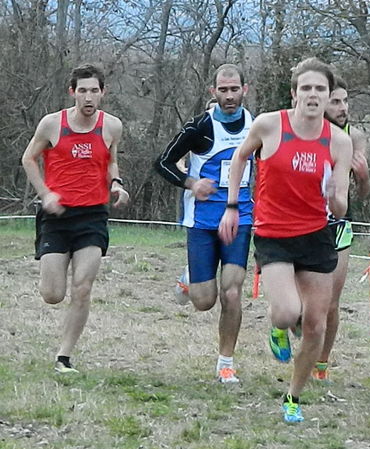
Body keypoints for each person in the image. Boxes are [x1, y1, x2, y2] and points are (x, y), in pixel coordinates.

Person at [219, 57, 352, 423]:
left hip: (316, 235)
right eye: (306, 88)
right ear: (294, 93)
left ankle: (293, 397)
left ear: (328, 97)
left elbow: (341, 207)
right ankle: (279, 329)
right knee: (287, 312)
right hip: (274, 232)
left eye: (320, 89)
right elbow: (239, 159)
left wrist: (332, 196)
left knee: (316, 325)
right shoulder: (269, 125)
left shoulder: (339, 142)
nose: (313, 95)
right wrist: (232, 205)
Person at [21, 63, 129, 374]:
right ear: (72, 93)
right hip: (56, 215)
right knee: (53, 294)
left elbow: (111, 162)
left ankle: (64, 357)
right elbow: (28, 158)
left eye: (94, 90)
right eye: (82, 90)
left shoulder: (112, 127)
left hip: (93, 216)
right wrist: (45, 193)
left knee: (82, 287)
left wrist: (117, 184)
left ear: (103, 93)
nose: (88, 97)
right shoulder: (52, 124)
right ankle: (53, 284)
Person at [154, 64, 253, 384]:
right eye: (222, 90)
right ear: (213, 92)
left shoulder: (257, 126)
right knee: (203, 301)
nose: (229, 96)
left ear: (244, 90)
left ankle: (226, 362)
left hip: (240, 217)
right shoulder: (200, 127)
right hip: (201, 221)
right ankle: (190, 279)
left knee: (233, 293)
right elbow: (163, 162)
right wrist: (191, 183)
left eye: (234, 89)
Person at [312, 75, 370, 381]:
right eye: (335, 101)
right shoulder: (306, 132)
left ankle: (321, 362)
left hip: (338, 227)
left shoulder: (355, 137)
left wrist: (363, 177)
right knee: (304, 304)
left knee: (332, 304)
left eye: (345, 101)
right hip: (305, 223)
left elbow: (364, 195)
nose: (342, 107)